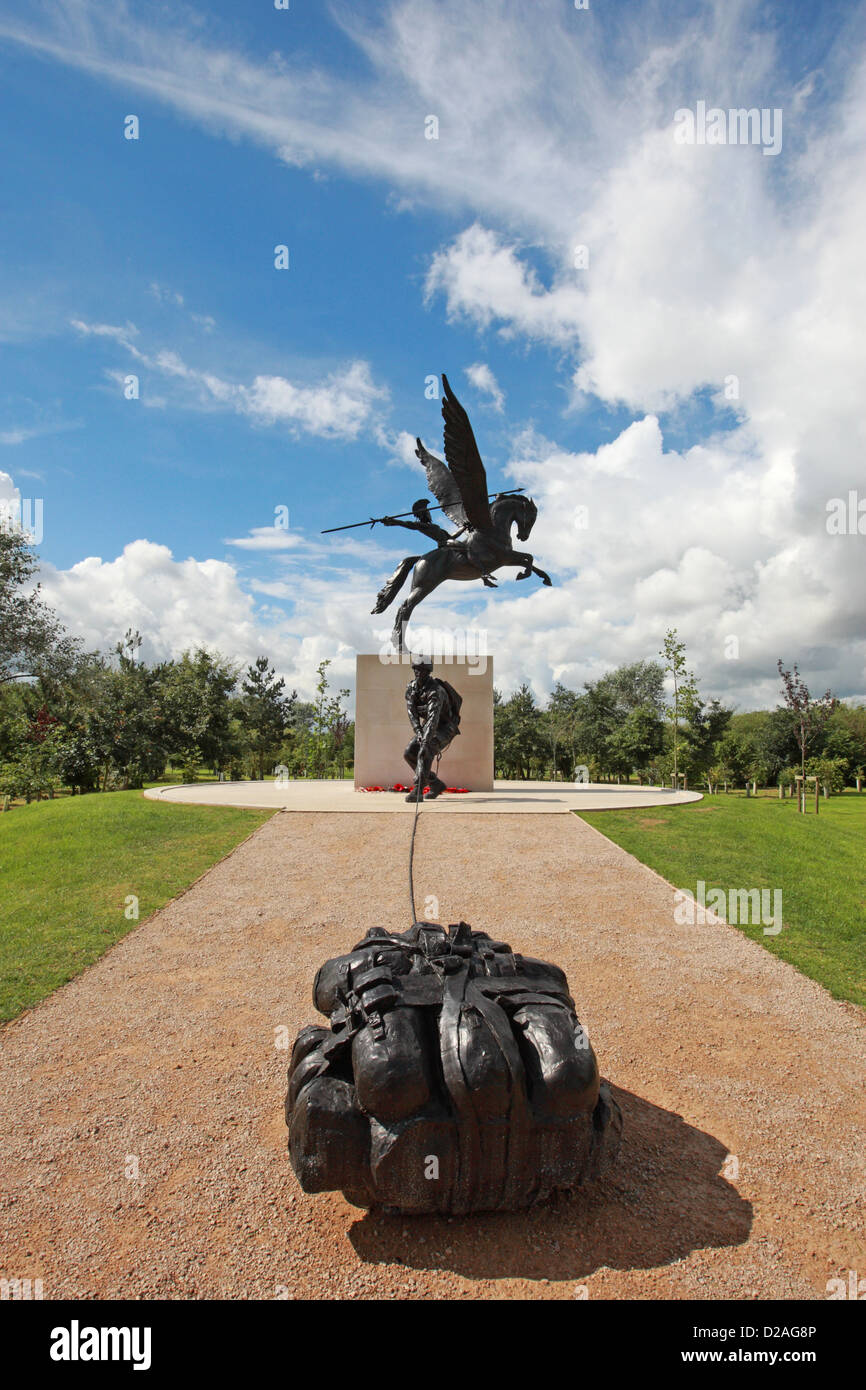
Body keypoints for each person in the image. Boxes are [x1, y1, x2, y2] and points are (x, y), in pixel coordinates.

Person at [404, 658, 462, 801]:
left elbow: (433, 718)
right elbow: (412, 713)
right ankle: (435, 784)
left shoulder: (436, 691)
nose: (418, 672)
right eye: (416, 669)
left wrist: (425, 742)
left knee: (427, 749)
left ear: (428, 672)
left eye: (422, 670)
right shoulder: (411, 688)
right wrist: (418, 732)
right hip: (427, 726)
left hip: (445, 727)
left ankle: (418, 789)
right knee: (409, 753)